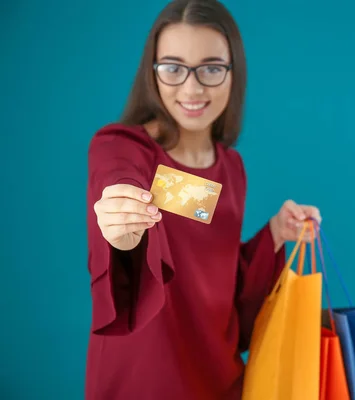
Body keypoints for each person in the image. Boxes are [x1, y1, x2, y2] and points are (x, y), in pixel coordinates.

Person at [85, 0, 322, 398]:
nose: (192, 88)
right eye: (173, 68)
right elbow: (120, 183)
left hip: (221, 379)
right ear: (152, 73)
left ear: (234, 73)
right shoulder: (122, 148)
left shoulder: (232, 167)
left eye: (211, 68)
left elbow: (223, 282)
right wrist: (123, 230)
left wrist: (276, 234)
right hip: (145, 380)